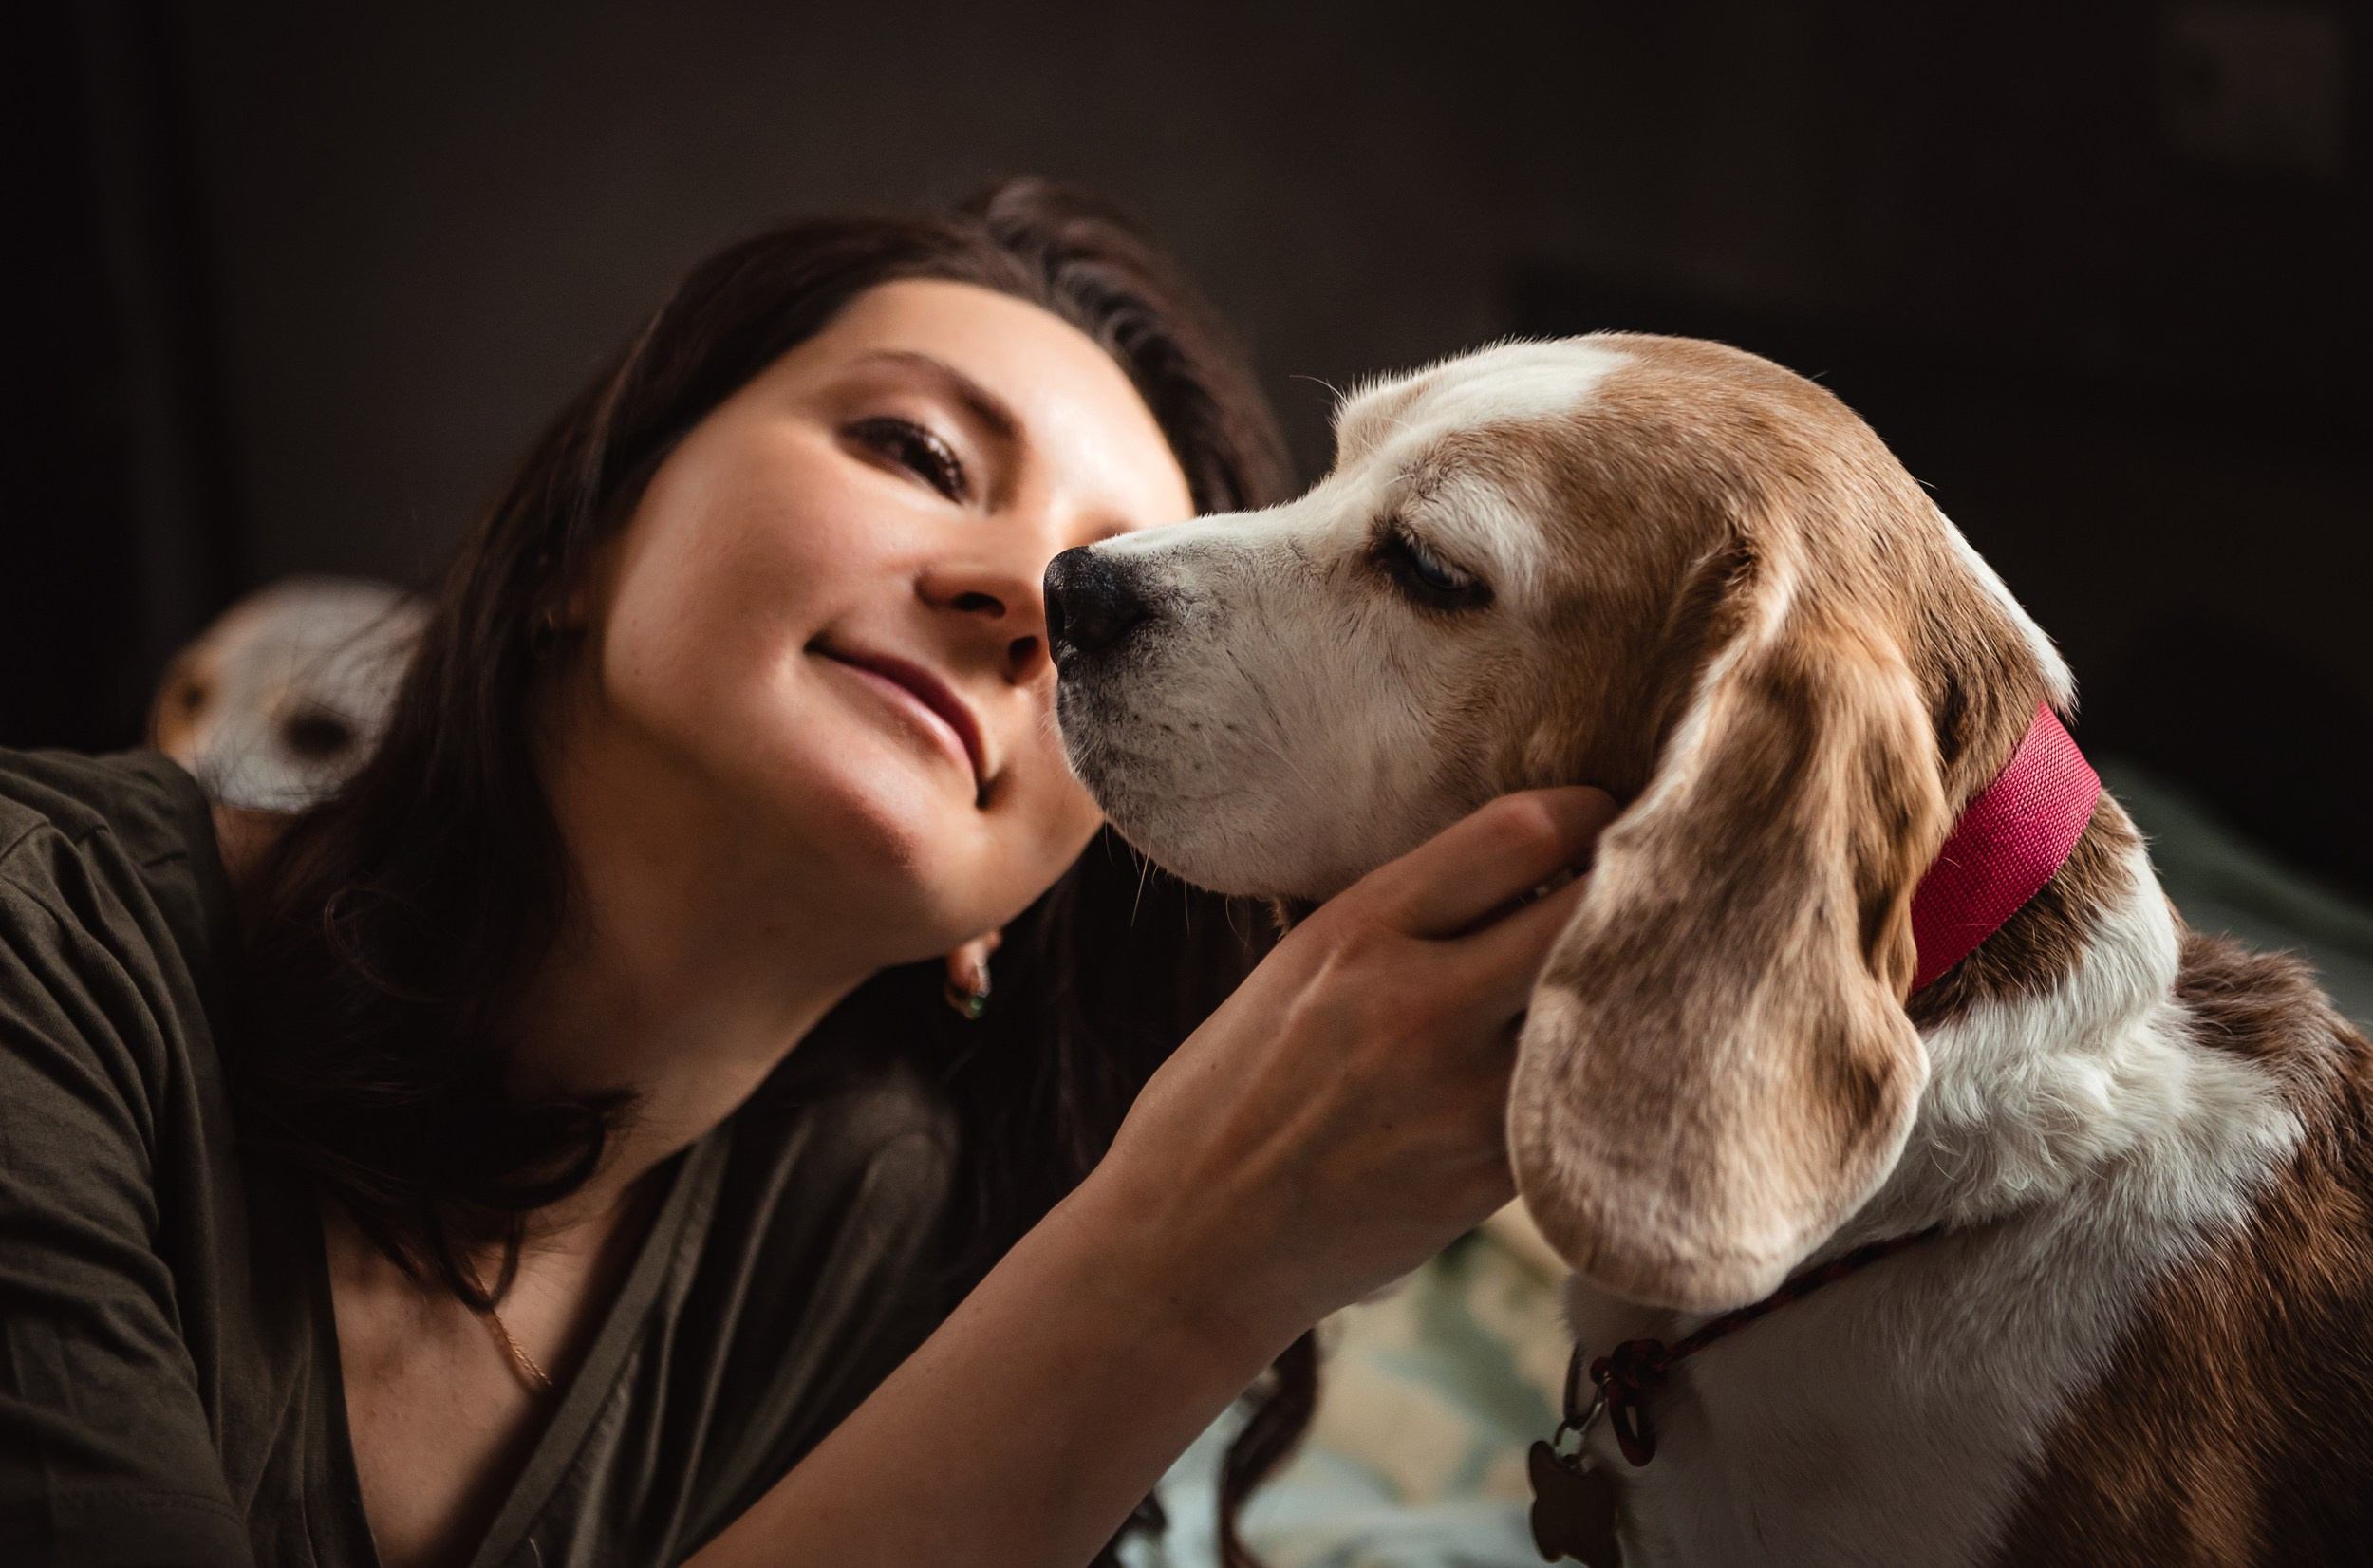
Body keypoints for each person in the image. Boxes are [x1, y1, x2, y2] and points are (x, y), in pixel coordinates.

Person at [0, 178, 1614, 1568]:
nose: (1030, 597)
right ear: (578, 539)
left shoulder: (889, 1251)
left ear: (1015, 908)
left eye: (1096, 620)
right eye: (919, 450)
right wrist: (1182, 1262)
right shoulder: (42, 938)